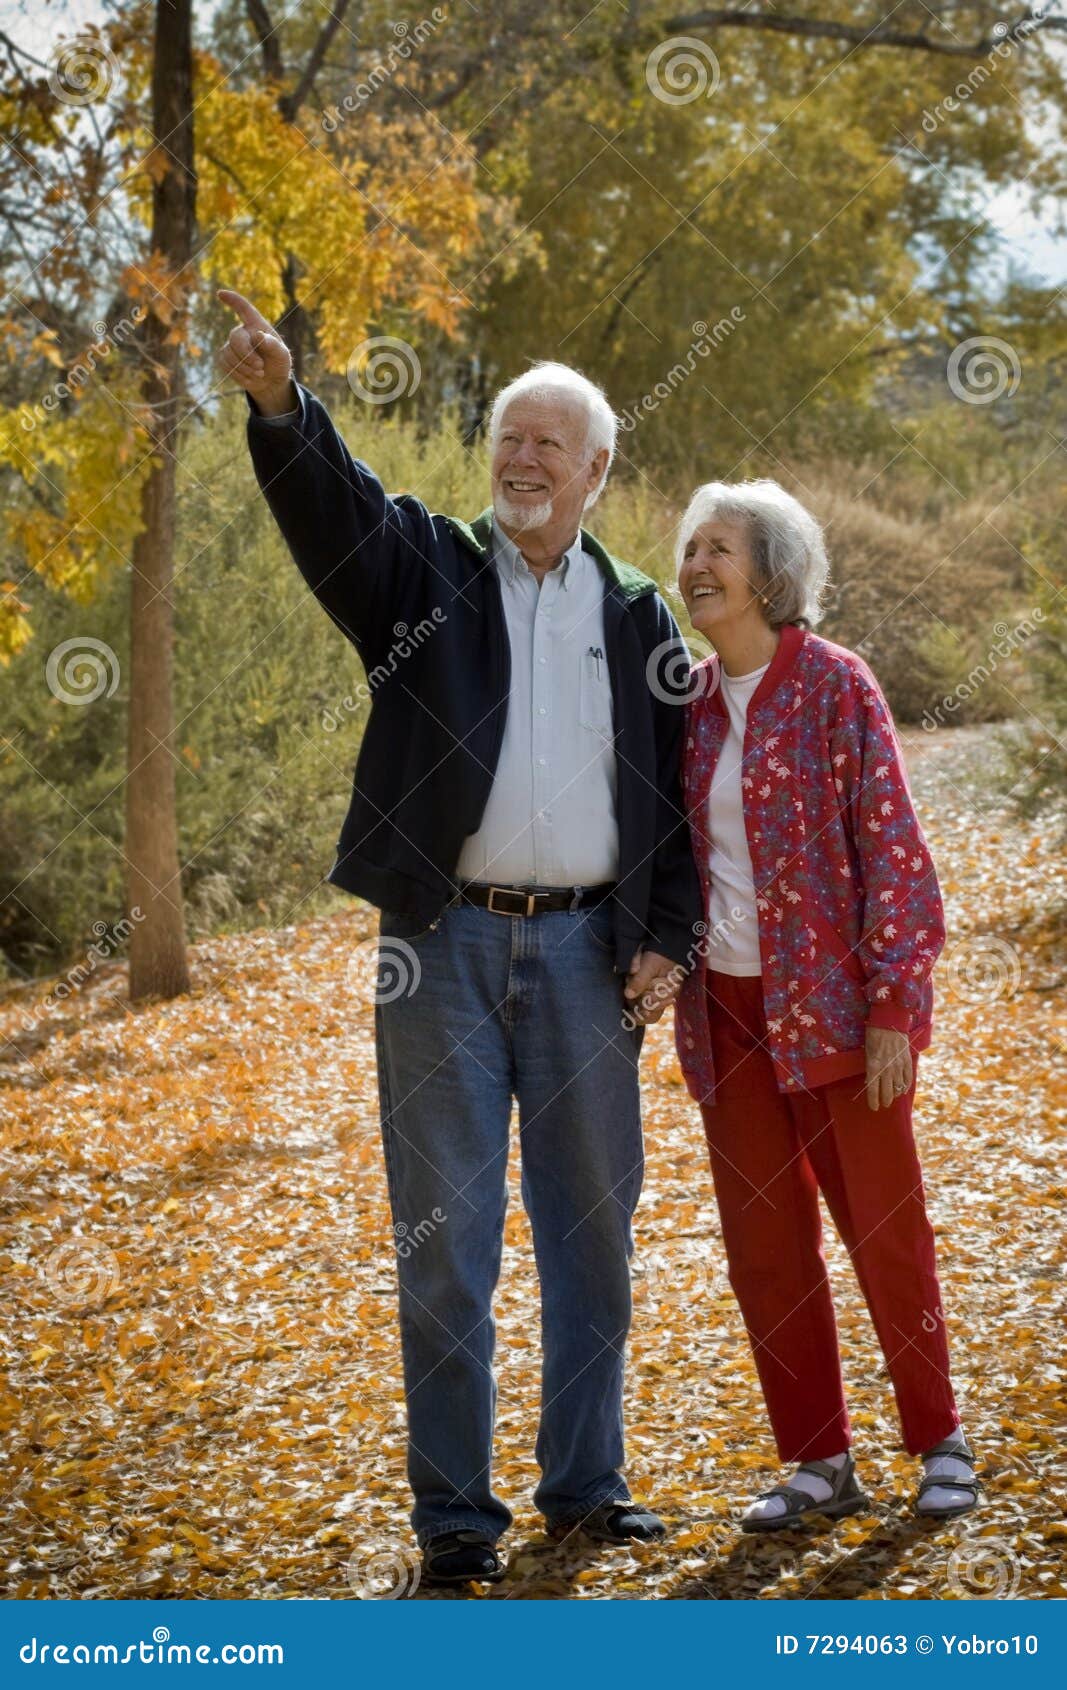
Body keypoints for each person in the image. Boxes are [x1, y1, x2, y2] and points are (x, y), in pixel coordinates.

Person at [216, 291, 702, 1583]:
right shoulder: (420, 573)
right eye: (508, 437)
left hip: (591, 958)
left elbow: (671, 791)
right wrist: (282, 407)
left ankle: (586, 1488)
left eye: (551, 443)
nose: (523, 458)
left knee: (591, 1232)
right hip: (439, 952)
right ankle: (452, 1523)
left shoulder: (637, 614)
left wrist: (667, 935)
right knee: (444, 1236)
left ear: (597, 469)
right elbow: (338, 514)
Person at [671, 477, 979, 1530]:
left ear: (769, 572)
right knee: (764, 1246)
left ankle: (938, 1439)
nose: (694, 567)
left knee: (884, 1233)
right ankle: (815, 1458)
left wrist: (896, 1002)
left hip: (842, 1017)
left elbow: (893, 854)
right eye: (688, 550)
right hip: (727, 1016)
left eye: (716, 549)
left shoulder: (837, 685)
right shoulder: (692, 703)